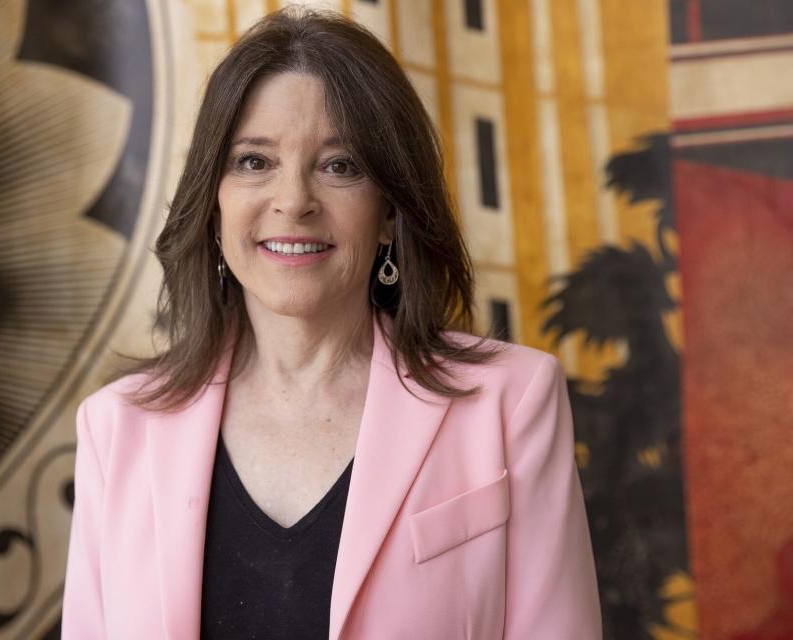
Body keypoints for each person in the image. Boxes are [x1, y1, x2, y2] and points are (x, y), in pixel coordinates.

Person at [60, 6, 601, 639]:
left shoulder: (510, 404)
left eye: (340, 165)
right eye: (254, 162)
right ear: (212, 203)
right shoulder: (116, 427)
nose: (293, 201)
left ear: (391, 212)